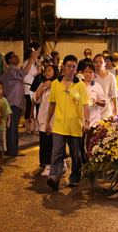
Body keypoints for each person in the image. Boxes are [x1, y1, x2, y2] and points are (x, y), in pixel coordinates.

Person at [45, 55, 90, 190]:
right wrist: (47, 122)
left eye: (74, 66)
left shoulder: (80, 85)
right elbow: (52, 104)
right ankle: (54, 177)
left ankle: (75, 177)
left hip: (75, 126)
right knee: (57, 152)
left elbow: (85, 104)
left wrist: (87, 121)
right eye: (69, 66)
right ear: (63, 67)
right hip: (59, 125)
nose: (71, 69)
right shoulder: (55, 84)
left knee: (75, 154)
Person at [0, 48, 40, 157]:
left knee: (13, 127)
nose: (17, 57)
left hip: (14, 102)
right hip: (12, 103)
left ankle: (12, 149)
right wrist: (32, 59)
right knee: (12, 127)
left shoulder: (11, 71)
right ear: (9, 60)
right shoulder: (11, 71)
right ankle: (12, 150)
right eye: (13, 56)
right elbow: (24, 73)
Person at [34, 64, 59, 176]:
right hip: (43, 118)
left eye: (50, 70)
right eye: (46, 71)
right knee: (44, 141)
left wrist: (52, 85)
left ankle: (57, 163)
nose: (47, 72)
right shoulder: (43, 84)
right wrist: (43, 85)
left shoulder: (59, 84)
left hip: (55, 119)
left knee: (54, 143)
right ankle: (47, 164)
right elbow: (35, 98)